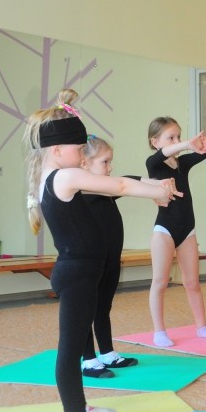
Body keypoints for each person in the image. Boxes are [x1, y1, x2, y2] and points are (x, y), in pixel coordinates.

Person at [24, 90, 178, 412]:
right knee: (70, 349)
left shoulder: (55, 176)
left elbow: (115, 184)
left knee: (75, 342)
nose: (83, 156)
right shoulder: (64, 177)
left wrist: (152, 184)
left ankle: (80, 407)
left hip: (81, 271)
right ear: (56, 150)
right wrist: (157, 191)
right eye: (79, 150)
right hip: (77, 274)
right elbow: (118, 185)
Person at [145, 117, 206, 347]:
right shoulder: (154, 164)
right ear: (155, 142)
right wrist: (187, 143)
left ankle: (202, 327)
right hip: (164, 231)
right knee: (160, 282)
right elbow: (162, 155)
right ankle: (159, 331)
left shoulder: (183, 163)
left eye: (179, 136)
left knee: (192, 283)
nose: (177, 141)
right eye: (171, 137)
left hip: (187, 230)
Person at [78, 136, 139, 378]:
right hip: (89, 262)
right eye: (105, 162)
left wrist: (157, 184)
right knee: (85, 309)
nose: (110, 167)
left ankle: (106, 352)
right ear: (84, 163)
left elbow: (130, 181)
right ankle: (88, 359)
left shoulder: (106, 191)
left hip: (110, 260)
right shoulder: (80, 192)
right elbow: (123, 184)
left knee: (103, 307)